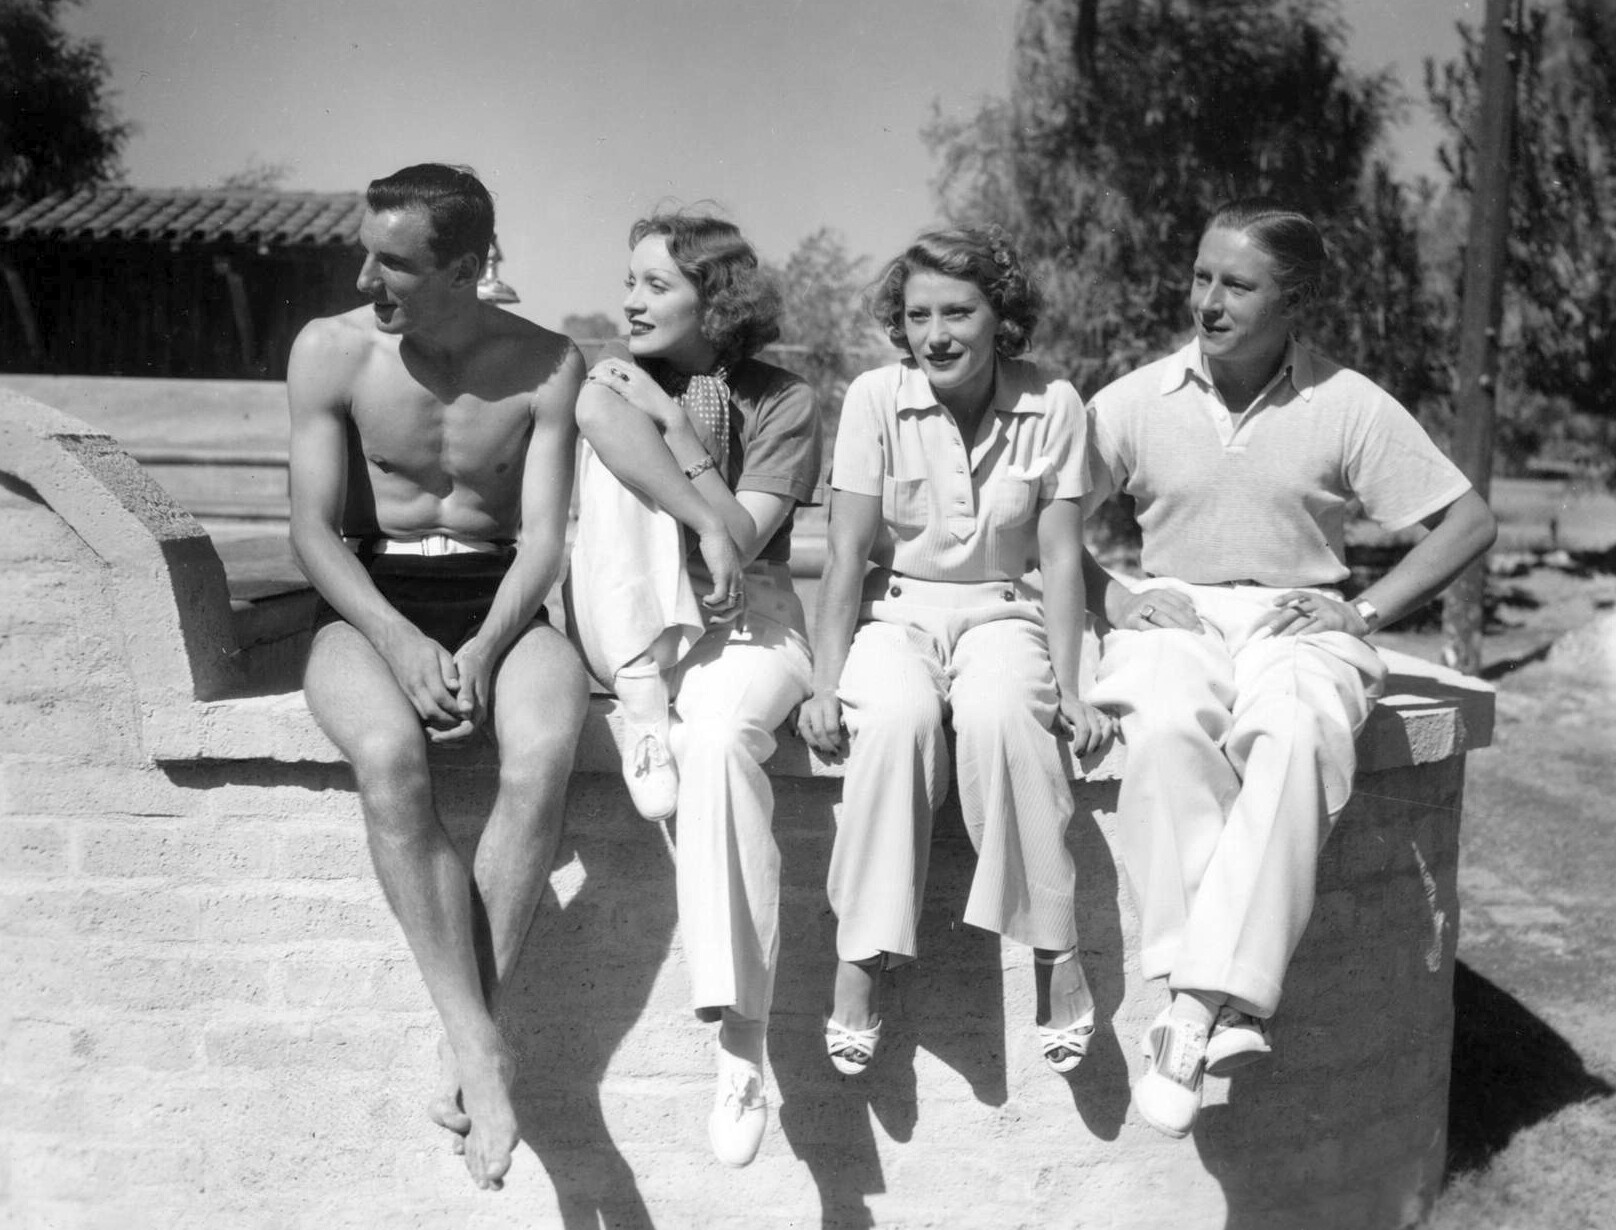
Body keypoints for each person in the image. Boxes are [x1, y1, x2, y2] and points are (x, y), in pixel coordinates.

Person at [1081, 199, 1497, 1139]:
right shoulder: (1134, 400)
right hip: (1176, 610)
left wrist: (1365, 610)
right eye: (1201, 277)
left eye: (1237, 285)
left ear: (1295, 301)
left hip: (1298, 617)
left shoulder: (1347, 403)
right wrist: (1117, 599)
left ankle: (1189, 1013)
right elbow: (1040, 524)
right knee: (1163, 721)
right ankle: (1219, 998)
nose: (1208, 302)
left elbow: (1468, 522)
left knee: (1301, 730)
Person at [288, 164, 589, 1191]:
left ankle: (473, 1043)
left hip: (498, 596)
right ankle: (479, 1048)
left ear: (465, 269)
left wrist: (486, 646)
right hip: (367, 596)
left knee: (541, 753)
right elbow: (311, 533)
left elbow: (543, 541)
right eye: (366, 254)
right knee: (387, 757)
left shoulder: (547, 363)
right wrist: (399, 640)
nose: (366, 278)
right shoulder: (330, 350)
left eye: (396, 263)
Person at [797, 226, 1114, 1080]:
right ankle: (861, 955)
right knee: (894, 720)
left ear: (1000, 316)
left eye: (958, 313)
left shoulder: (1054, 402)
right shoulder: (874, 398)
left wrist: (1072, 689)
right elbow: (846, 555)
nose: (935, 335)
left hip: (1002, 611)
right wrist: (824, 685)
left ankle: (1055, 948)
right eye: (917, 315)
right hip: (896, 612)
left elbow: (1059, 560)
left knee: (1005, 714)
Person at [567, 212, 821, 1167]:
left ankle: (740, 1046)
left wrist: (676, 427)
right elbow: (705, 518)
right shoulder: (613, 383)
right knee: (606, 429)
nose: (631, 300)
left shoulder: (783, 399)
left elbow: (746, 543)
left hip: (749, 619)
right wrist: (702, 521)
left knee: (713, 744)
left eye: (656, 285)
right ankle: (641, 709)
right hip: (636, 617)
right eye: (629, 280)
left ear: (713, 302)